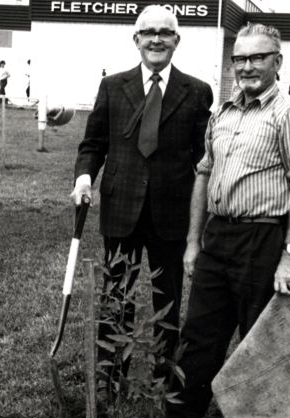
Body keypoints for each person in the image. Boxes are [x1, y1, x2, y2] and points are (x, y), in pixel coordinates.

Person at [137, 23, 290, 418]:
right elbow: (203, 174)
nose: (247, 67)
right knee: (200, 331)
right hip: (218, 237)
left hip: (263, 238)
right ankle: (180, 416)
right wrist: (192, 241)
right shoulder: (223, 113)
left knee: (261, 337)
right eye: (240, 59)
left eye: (258, 57)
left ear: (277, 61)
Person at [70, 5, 213, 385]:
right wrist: (85, 178)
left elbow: (205, 157)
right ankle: (109, 380)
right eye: (148, 32)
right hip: (121, 208)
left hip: (172, 211)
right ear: (136, 40)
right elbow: (93, 143)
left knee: (168, 300)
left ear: (176, 41)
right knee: (116, 296)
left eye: (165, 32)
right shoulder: (113, 86)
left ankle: (166, 380)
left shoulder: (197, 91)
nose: (156, 39)